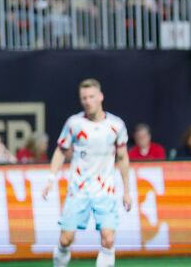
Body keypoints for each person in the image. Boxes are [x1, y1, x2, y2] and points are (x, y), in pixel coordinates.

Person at [42, 79, 132, 267]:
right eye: (84, 98)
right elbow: (60, 150)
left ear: (100, 97)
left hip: (105, 190)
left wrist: (127, 190)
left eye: (91, 96)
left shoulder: (116, 125)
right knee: (66, 239)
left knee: (108, 239)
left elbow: (122, 158)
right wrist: (51, 178)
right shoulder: (75, 123)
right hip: (79, 190)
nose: (87, 101)